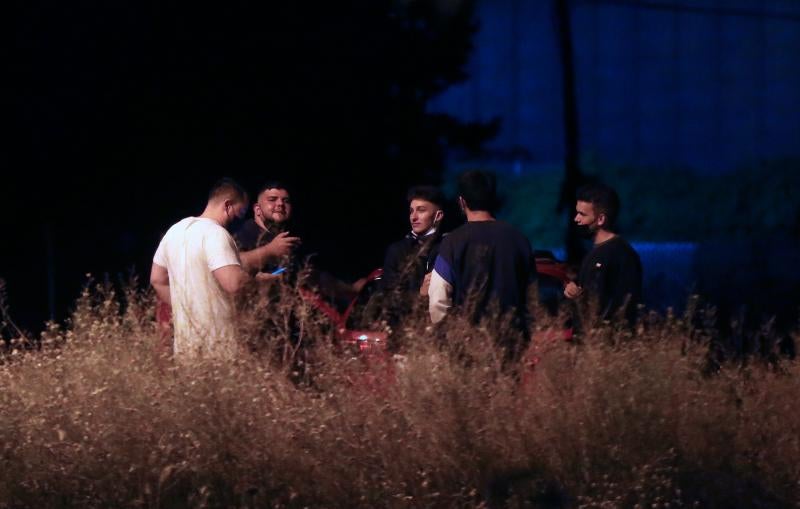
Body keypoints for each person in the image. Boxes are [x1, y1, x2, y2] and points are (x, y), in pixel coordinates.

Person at [150, 178, 287, 360]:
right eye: (240, 212)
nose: (239, 219)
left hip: (185, 349)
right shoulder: (216, 233)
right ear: (228, 205)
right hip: (219, 350)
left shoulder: (174, 231)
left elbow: (157, 279)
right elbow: (234, 284)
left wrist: (186, 307)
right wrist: (259, 282)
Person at [428, 170, 534, 338]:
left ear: (462, 202)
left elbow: (438, 298)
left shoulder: (452, 242)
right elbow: (532, 296)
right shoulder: (519, 240)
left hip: (467, 343)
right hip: (512, 341)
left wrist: (445, 335)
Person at [563, 183, 642, 324]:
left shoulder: (622, 256)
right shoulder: (594, 252)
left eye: (582, 214)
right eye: (577, 213)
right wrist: (576, 295)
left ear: (601, 219)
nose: (576, 219)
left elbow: (623, 307)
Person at [382, 186, 446, 296]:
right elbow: (387, 295)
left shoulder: (448, 246)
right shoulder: (397, 250)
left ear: (438, 215)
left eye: (421, 210)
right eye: (411, 211)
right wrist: (420, 293)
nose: (413, 217)